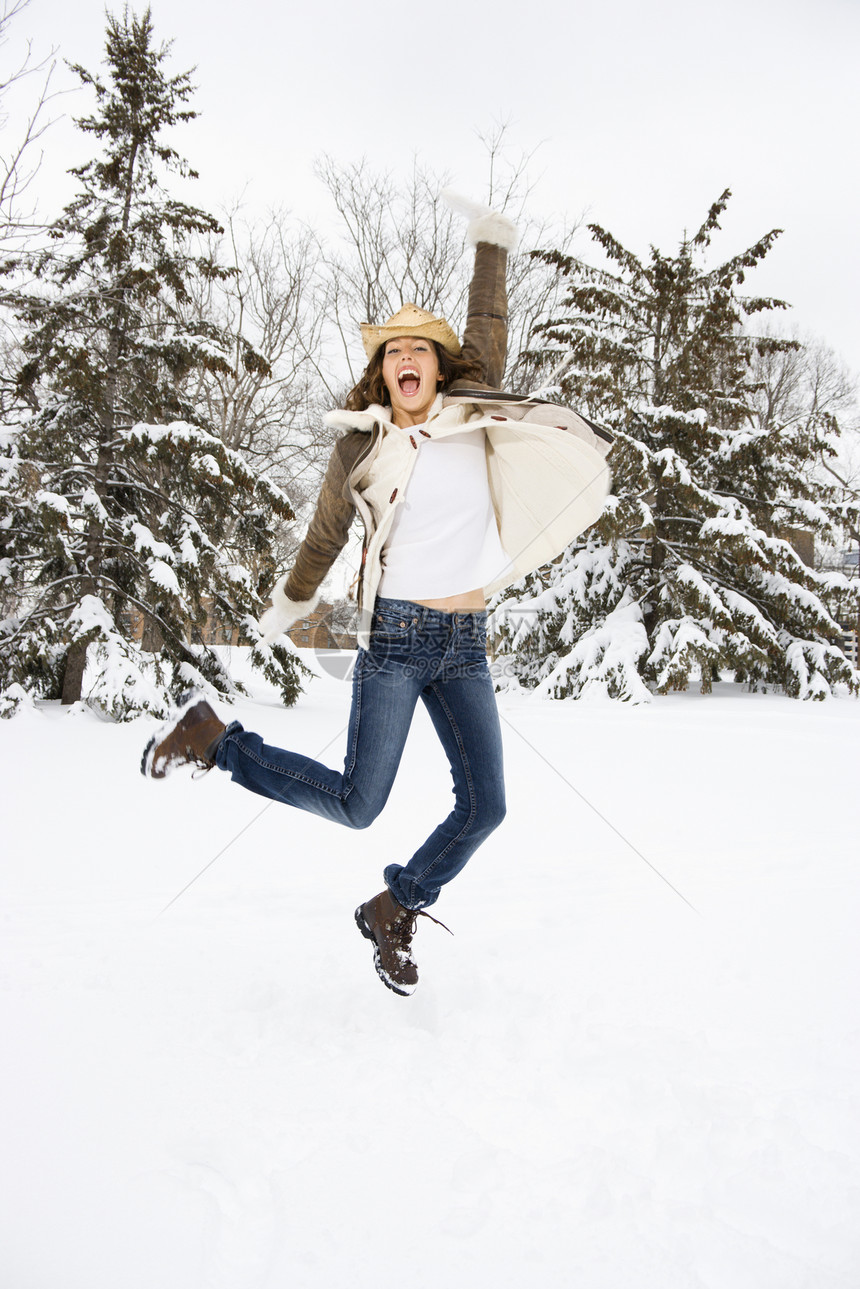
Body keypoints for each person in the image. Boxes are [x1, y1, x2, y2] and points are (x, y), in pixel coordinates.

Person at [141, 196, 612, 996]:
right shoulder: (363, 446)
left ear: (437, 364)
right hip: (395, 638)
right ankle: (217, 739)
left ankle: (396, 905)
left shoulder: (474, 408)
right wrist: (293, 599)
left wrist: (491, 244)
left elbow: (488, 320)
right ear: (384, 370)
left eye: (419, 349)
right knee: (360, 802)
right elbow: (325, 534)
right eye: (393, 349)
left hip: (464, 643)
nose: (406, 357)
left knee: (486, 805)